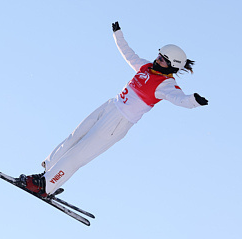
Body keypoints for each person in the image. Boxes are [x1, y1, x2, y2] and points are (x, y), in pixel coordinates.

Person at [18, 21, 208, 197]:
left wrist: (194, 100)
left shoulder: (166, 84)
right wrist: (118, 35)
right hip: (110, 105)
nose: (158, 60)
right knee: (74, 137)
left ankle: (46, 186)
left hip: (118, 122)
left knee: (80, 153)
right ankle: (46, 172)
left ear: (172, 66)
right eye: (159, 55)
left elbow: (180, 99)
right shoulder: (145, 67)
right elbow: (128, 54)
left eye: (163, 60)